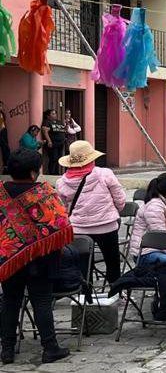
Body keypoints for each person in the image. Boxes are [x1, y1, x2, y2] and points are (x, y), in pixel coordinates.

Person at [0, 149, 72, 365]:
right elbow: (61, 224)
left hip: (9, 257)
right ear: (34, 172)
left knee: (10, 301)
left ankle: (7, 351)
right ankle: (50, 348)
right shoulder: (44, 192)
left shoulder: (1, 193)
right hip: (41, 259)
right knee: (41, 301)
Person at [56, 141, 125, 285]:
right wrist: (113, 212)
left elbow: (61, 208)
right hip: (107, 226)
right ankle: (115, 290)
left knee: (84, 264)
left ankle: (85, 295)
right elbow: (120, 198)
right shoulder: (104, 174)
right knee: (112, 261)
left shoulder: (62, 182)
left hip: (78, 228)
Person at [41, 109, 66, 175]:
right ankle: (51, 173)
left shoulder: (59, 122)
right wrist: (49, 141)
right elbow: (45, 131)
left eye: (55, 113)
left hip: (60, 143)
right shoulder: (47, 122)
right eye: (53, 114)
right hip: (53, 143)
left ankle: (56, 173)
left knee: (58, 159)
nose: (55, 115)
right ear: (48, 116)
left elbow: (63, 129)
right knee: (53, 158)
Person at [0, 101, 9, 174]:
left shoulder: (2, 113)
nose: (1, 107)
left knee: (5, 148)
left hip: (3, 131)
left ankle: (6, 166)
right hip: (1, 131)